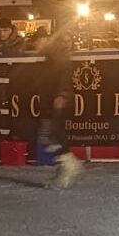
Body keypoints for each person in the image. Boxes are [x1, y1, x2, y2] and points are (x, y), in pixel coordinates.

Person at [37, 30, 83, 188]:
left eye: (39, 41)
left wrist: (61, 95)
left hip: (56, 101)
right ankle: (64, 170)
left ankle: (68, 164)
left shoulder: (57, 57)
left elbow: (64, 76)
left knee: (47, 136)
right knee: (55, 135)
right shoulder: (50, 57)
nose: (36, 45)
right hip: (52, 100)